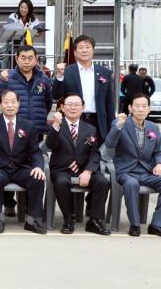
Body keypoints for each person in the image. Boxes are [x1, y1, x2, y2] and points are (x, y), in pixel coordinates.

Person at [105, 94, 161, 238]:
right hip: (126, 171)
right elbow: (109, 144)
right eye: (137, 106)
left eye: (144, 106)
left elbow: (158, 151)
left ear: (149, 109)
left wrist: (160, 164)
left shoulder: (153, 127)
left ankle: (157, 225)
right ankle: (135, 225)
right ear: (130, 108)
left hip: (146, 171)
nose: (141, 109)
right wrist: (118, 125)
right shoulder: (120, 123)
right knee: (131, 184)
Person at [0, 90, 47, 235]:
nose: (9, 105)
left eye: (13, 102)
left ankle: (31, 220)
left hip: (20, 167)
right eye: (5, 102)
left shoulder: (28, 125)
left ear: (18, 104)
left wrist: (38, 166)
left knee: (37, 178)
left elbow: (35, 151)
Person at [46, 93, 111, 235]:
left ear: (83, 108)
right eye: (69, 105)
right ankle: (68, 219)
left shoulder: (90, 129)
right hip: (62, 169)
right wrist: (56, 125)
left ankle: (94, 220)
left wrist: (88, 171)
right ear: (62, 108)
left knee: (102, 181)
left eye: (77, 105)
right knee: (61, 182)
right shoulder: (56, 126)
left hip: (83, 169)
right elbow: (50, 145)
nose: (73, 108)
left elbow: (95, 153)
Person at [51, 35, 115, 141]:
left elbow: (109, 102)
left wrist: (111, 127)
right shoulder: (67, 71)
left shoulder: (105, 72)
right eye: (80, 47)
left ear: (93, 50)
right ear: (75, 52)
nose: (84, 50)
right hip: (74, 119)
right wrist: (59, 76)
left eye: (87, 47)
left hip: (98, 121)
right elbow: (56, 95)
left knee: (96, 154)